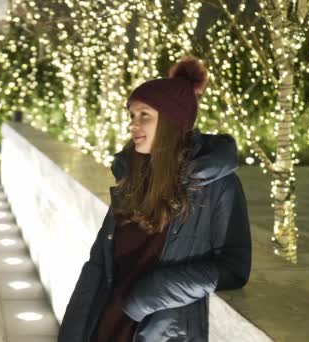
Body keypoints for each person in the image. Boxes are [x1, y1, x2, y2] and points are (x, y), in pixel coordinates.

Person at [58, 57, 252, 342]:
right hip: (105, 324)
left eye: (144, 115)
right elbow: (98, 263)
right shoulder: (131, 177)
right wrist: (72, 331)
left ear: (171, 121)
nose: (133, 125)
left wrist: (151, 292)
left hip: (160, 331)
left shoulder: (219, 186)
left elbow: (234, 268)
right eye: (132, 116)